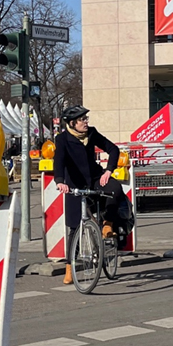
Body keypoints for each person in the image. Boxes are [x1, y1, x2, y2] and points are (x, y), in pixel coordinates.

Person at [52, 104, 129, 284]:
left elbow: (113, 149)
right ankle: (70, 267)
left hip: (95, 178)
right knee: (74, 227)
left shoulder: (92, 133)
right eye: (82, 120)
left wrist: (108, 170)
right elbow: (59, 160)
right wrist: (60, 181)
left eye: (86, 119)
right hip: (73, 185)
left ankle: (107, 224)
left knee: (115, 189)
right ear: (72, 123)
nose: (86, 122)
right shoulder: (62, 139)